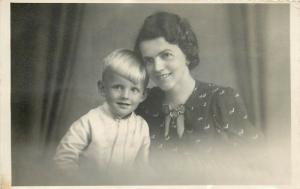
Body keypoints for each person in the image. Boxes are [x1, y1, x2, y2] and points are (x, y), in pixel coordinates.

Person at [134, 11, 265, 184]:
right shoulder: (145, 105)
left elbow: (260, 166)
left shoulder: (220, 100)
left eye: (166, 55)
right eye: (149, 60)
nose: (157, 67)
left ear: (187, 54)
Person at [53, 49, 150, 185]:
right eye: (117, 87)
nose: (125, 96)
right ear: (102, 88)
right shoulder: (89, 122)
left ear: (143, 95)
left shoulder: (141, 127)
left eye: (134, 89)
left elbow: (142, 168)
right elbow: (63, 158)